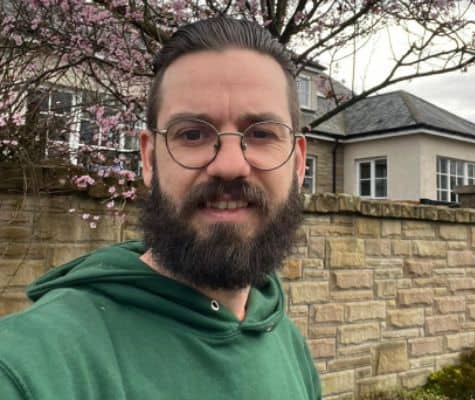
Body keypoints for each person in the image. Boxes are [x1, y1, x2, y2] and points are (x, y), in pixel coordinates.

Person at [0, 17, 321, 399]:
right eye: (192, 134)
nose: (230, 165)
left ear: (299, 164)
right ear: (149, 159)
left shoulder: (289, 342)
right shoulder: (30, 368)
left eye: (262, 134)